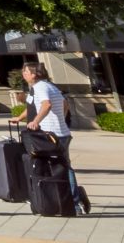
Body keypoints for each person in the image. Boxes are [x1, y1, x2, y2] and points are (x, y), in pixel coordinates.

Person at [18, 57, 85, 214]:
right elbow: (64, 105)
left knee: (62, 167)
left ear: (34, 74)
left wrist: (36, 121)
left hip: (51, 135)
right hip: (60, 132)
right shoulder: (49, 86)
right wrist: (59, 119)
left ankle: (73, 201)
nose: (23, 74)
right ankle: (62, 197)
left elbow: (46, 105)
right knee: (61, 165)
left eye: (26, 71)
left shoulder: (40, 87)